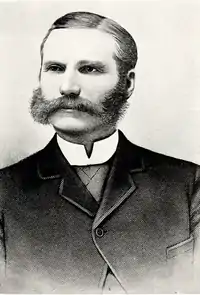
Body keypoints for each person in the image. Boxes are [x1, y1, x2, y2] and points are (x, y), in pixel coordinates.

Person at [0, 11, 200, 293]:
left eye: (89, 69)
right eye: (55, 68)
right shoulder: (3, 192)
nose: (67, 86)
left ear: (127, 83)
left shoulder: (189, 185)